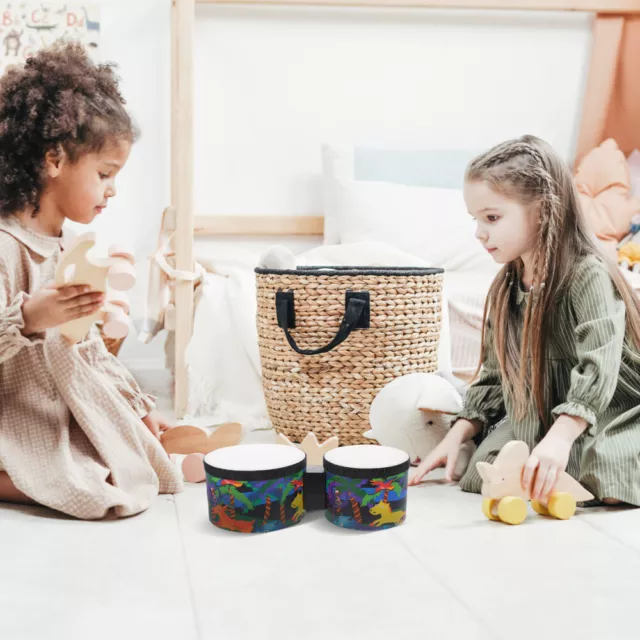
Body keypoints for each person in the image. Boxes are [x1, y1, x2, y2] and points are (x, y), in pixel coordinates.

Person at [0, 41, 182, 519]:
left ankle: (35, 465)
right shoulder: (5, 245)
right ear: (54, 159)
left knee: (144, 462)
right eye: (105, 173)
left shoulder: (65, 248)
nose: (113, 190)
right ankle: (16, 474)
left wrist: (135, 405)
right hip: (11, 410)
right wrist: (27, 317)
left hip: (48, 405)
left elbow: (87, 349)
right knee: (92, 490)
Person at [410, 134, 640, 507]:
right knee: (482, 472)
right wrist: (460, 433)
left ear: (544, 210)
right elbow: (494, 373)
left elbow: (599, 366)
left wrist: (563, 436)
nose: (479, 232)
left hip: (613, 408)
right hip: (540, 410)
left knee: (606, 474)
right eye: (476, 219)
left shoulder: (588, 274)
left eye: (492, 218)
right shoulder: (506, 286)